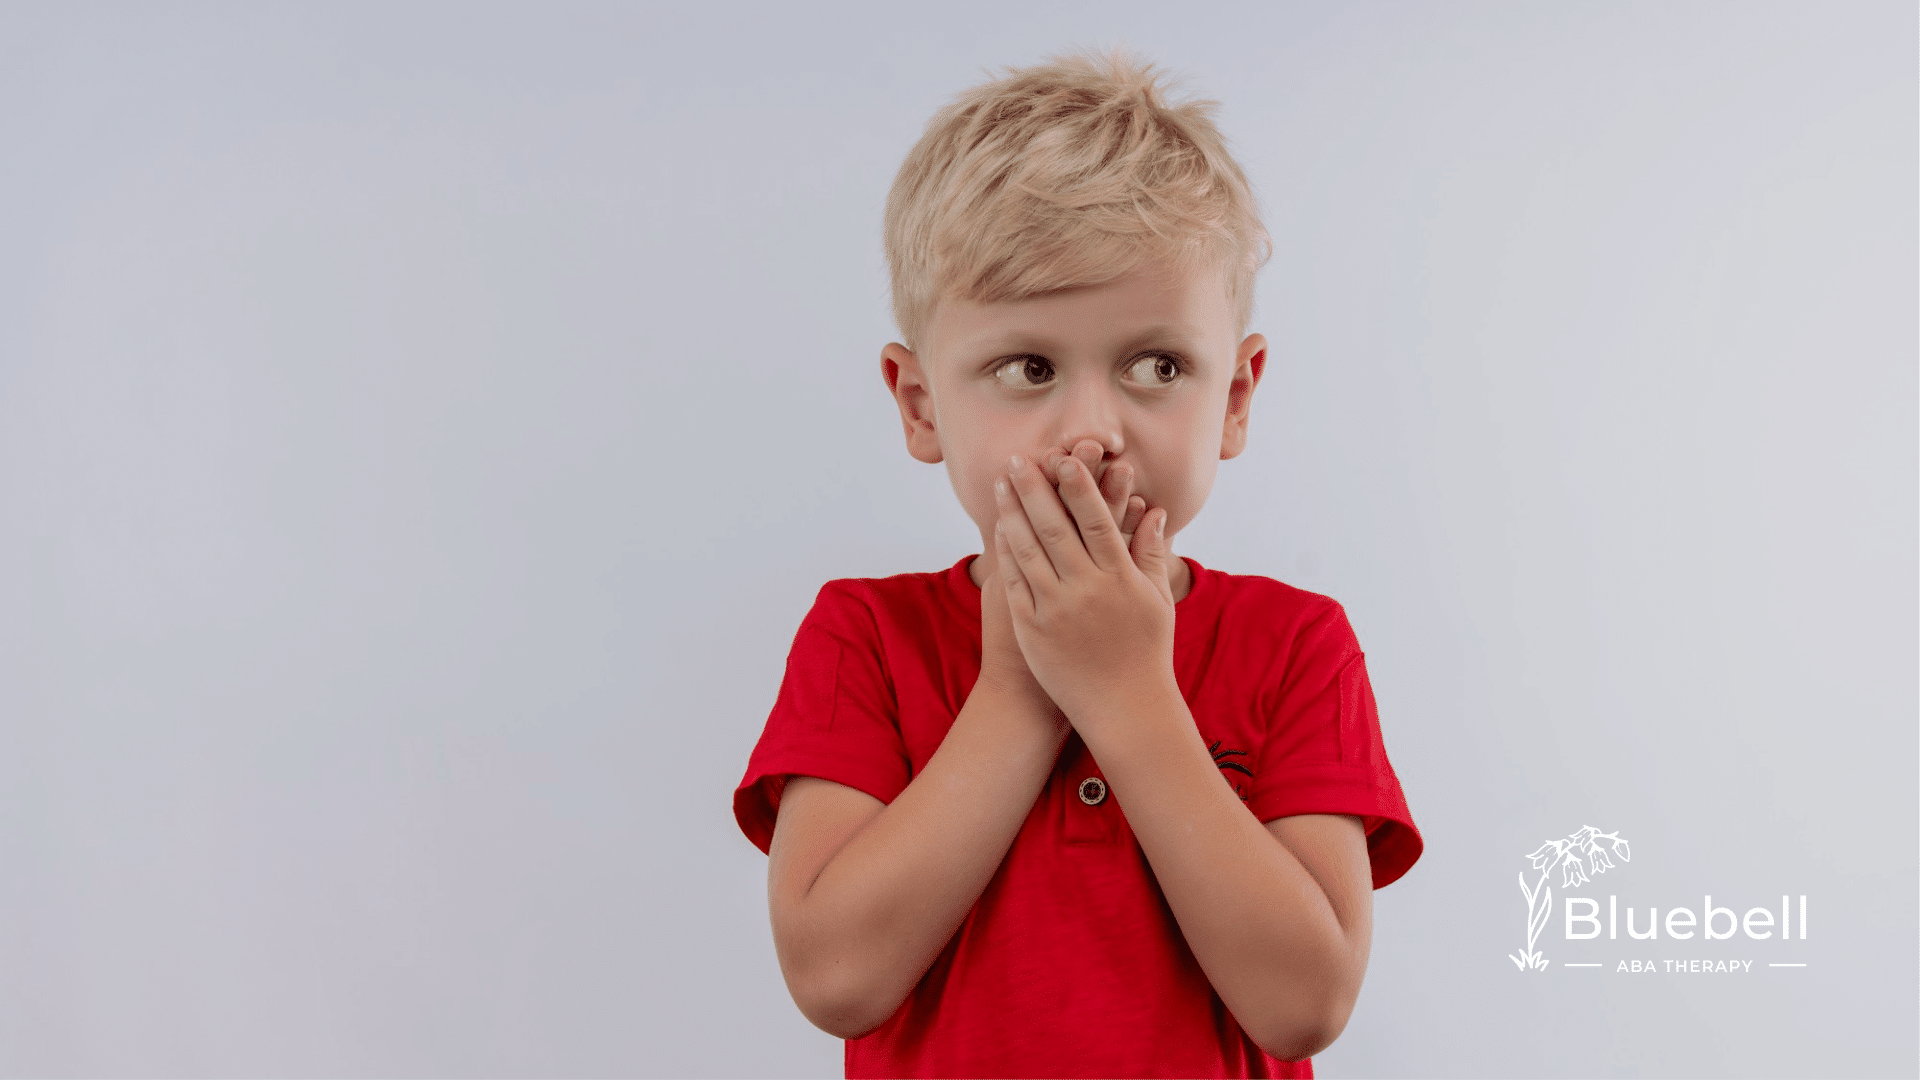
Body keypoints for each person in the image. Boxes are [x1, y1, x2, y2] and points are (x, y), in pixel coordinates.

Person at [732, 45, 1422, 1080]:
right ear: (921, 405)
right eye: (1028, 367)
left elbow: (1305, 1003)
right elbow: (836, 980)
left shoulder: (1295, 645)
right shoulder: (865, 639)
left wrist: (1127, 692)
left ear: (1235, 397)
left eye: (1157, 366)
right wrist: (1018, 689)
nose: (1093, 430)